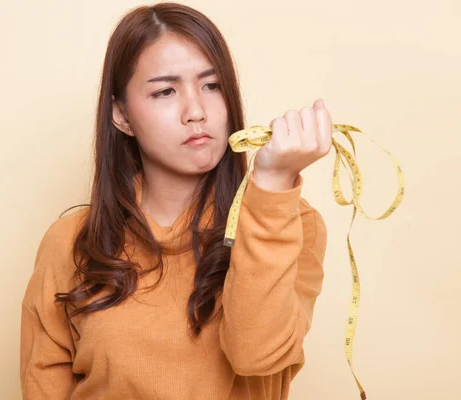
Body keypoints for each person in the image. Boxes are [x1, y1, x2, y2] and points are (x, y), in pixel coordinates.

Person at [20, 2, 332, 399]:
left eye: (212, 85)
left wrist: (271, 185)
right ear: (121, 115)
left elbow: (256, 356)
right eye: (165, 91)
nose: (196, 111)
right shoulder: (70, 242)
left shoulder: (292, 222)